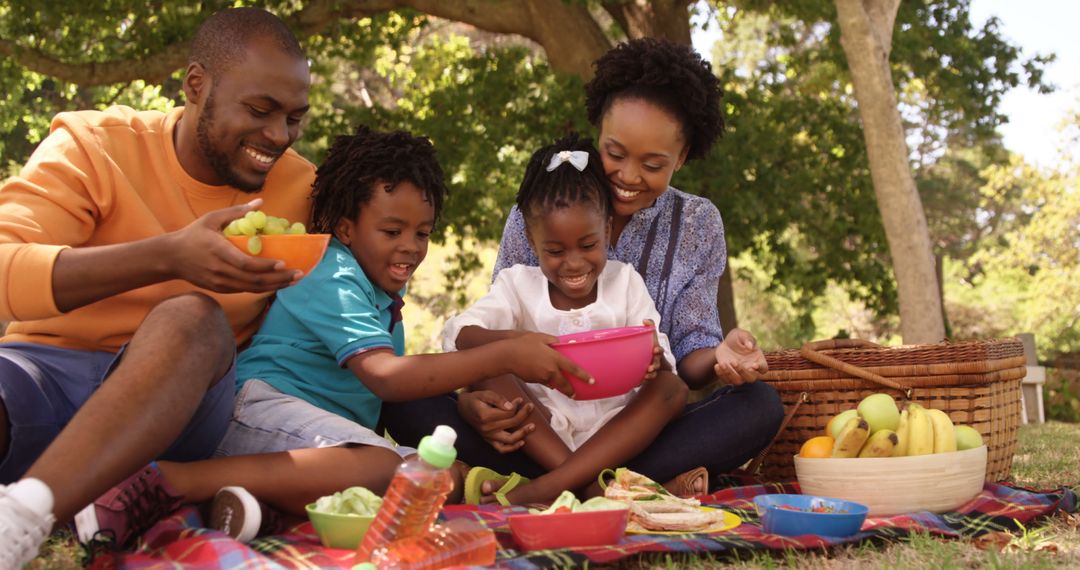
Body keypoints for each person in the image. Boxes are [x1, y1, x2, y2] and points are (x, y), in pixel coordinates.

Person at [123, 126, 596, 543]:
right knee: (383, 468)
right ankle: (176, 480)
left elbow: (397, 388)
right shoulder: (329, 269)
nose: (410, 248)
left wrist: (463, 404)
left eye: (423, 233)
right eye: (392, 231)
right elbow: (386, 377)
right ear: (346, 227)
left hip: (321, 440)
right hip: (260, 410)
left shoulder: (381, 285)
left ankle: (251, 507)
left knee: (436, 475)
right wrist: (506, 355)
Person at [383, 38, 784, 498]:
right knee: (404, 395)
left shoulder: (697, 224)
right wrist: (478, 403)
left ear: (683, 156)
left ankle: (554, 488)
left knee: (757, 405)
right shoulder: (539, 208)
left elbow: (688, 360)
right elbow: (490, 346)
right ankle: (607, 486)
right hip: (537, 430)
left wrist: (721, 355)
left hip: (635, 430)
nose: (629, 176)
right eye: (615, 153)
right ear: (598, 134)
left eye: (653, 164)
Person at [0, 7, 315, 566]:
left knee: (191, 317)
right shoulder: (94, 144)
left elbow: (355, 301)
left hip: (174, 409)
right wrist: (165, 256)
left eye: (294, 117)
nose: (278, 136)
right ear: (196, 85)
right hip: (42, 375)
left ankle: (19, 521)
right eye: (261, 110)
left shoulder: (305, 189)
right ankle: (46, 502)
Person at [443, 134, 688, 505]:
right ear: (531, 238)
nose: (574, 263)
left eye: (588, 246)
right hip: (540, 430)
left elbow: (658, 351)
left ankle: (544, 488)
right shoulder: (517, 285)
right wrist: (516, 347)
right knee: (482, 369)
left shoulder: (624, 281)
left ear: (606, 229)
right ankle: (586, 484)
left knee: (672, 389)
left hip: (617, 431)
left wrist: (653, 357)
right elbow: (458, 335)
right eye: (555, 251)